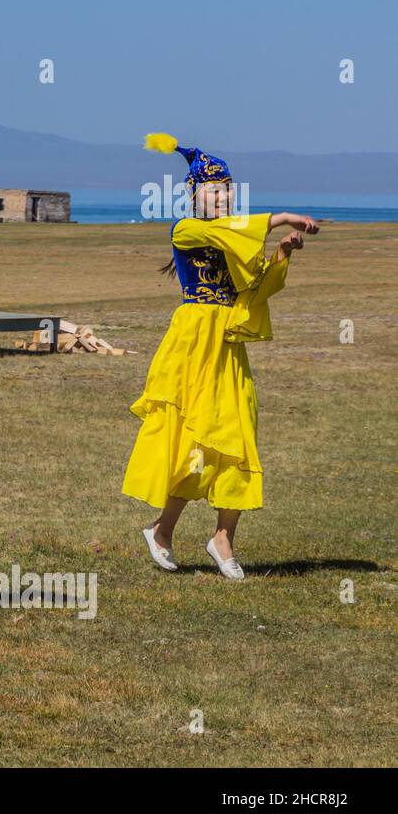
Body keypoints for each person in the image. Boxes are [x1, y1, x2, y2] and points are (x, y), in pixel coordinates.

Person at [123, 132, 320, 579]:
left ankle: (222, 537)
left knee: (237, 437)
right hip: (192, 345)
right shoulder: (187, 229)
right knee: (194, 443)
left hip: (227, 344)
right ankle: (162, 531)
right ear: (194, 195)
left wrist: (282, 253)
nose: (223, 195)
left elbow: (254, 291)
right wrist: (283, 216)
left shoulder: (236, 239)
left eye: (228, 188)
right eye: (214, 189)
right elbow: (228, 231)